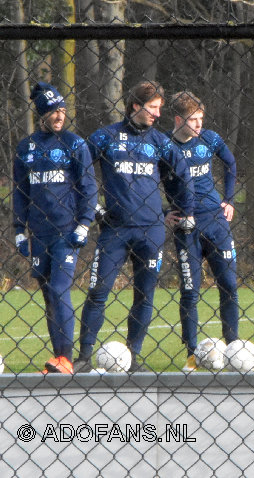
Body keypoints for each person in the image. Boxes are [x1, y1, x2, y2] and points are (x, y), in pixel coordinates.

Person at [74, 80, 195, 373]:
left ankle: (133, 356)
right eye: (152, 108)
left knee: (145, 293)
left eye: (159, 109)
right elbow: (79, 174)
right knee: (98, 290)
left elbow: (182, 176)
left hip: (151, 231)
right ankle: (83, 357)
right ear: (135, 106)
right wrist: (96, 210)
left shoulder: (160, 142)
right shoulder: (106, 137)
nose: (156, 114)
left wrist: (183, 210)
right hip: (114, 230)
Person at [13, 82, 98, 374]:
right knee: (49, 292)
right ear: (42, 115)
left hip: (67, 231)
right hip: (39, 233)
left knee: (61, 288)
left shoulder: (75, 144)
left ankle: (66, 359)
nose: (59, 115)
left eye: (62, 110)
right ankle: (59, 357)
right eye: (53, 111)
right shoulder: (26, 148)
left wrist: (85, 224)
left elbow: (88, 187)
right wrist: (19, 229)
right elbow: (21, 192)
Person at [165, 91, 239, 372]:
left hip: (216, 222)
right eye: (193, 120)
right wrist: (163, 213)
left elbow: (230, 163)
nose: (198, 125)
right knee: (189, 291)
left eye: (201, 119)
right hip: (186, 226)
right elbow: (145, 182)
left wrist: (229, 199)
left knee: (229, 286)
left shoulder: (209, 138)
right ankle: (192, 354)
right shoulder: (164, 146)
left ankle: (233, 348)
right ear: (178, 119)